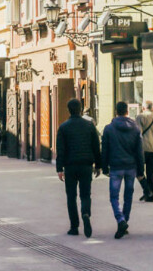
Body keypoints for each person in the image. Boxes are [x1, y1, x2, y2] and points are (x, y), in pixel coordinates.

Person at [56, 98, 102, 238]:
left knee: (71, 196)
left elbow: (61, 150)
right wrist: (98, 166)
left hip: (70, 166)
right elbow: (96, 147)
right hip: (86, 165)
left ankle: (74, 226)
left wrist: (59, 168)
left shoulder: (63, 127)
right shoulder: (89, 126)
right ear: (81, 109)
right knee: (85, 194)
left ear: (68, 110)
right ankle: (85, 212)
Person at [101, 101, 145, 239]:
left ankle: (120, 220)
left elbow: (105, 150)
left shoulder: (109, 128)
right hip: (131, 167)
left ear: (116, 111)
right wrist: (140, 170)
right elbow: (139, 152)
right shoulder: (135, 128)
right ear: (127, 112)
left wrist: (104, 167)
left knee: (114, 196)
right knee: (128, 196)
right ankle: (125, 220)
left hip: (115, 166)